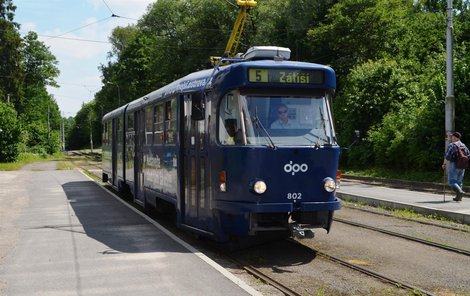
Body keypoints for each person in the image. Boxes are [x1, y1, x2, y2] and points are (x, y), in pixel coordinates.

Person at [442, 132, 470, 201]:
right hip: (462, 165)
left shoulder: (452, 145)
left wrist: (444, 164)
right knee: (459, 182)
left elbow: (447, 156)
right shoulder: (463, 145)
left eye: (452, 137)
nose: (451, 138)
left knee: (452, 181)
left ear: (455, 137)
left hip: (454, 164)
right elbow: (468, 155)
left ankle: (459, 192)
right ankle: (458, 197)